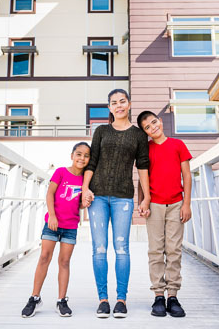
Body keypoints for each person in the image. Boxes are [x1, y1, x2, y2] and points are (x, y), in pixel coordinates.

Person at [81, 89, 151, 319]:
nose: (119, 105)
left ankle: (121, 299)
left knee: (122, 249)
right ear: (109, 107)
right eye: (114, 103)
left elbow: (142, 167)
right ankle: (103, 299)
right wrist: (85, 188)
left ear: (129, 104)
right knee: (99, 249)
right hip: (98, 197)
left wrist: (146, 196)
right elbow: (92, 162)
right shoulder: (101, 131)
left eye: (122, 101)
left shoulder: (139, 135)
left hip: (123, 197)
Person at [21, 142, 91, 318]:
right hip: (52, 223)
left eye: (86, 155)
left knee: (64, 262)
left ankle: (61, 301)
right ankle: (34, 297)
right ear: (72, 155)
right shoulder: (61, 172)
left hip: (70, 226)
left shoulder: (85, 179)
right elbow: (50, 193)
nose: (82, 158)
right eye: (79, 154)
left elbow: (79, 204)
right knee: (44, 257)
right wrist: (52, 216)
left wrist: (85, 203)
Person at [137, 110, 192, 318]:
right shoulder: (146, 149)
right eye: (148, 128)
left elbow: (186, 175)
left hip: (177, 203)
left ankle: (173, 296)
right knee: (156, 250)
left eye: (154, 122)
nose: (153, 128)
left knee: (174, 250)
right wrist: (141, 201)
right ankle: (158, 295)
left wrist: (187, 203)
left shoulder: (178, 145)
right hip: (155, 206)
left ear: (160, 121)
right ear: (146, 132)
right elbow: (142, 179)